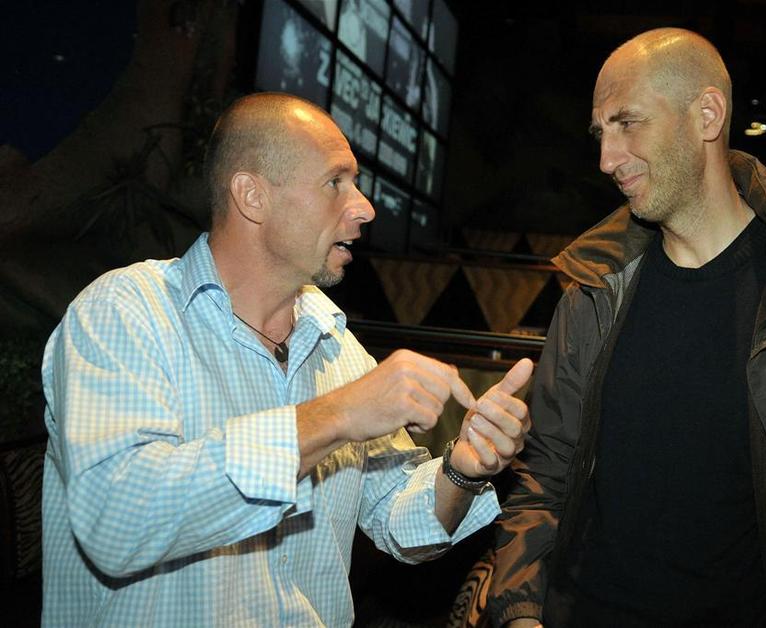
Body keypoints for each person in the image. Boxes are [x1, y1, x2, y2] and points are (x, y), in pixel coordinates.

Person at [488, 28, 766, 627]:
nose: (607, 159)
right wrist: (521, 612)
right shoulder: (593, 291)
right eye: (601, 134)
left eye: (628, 123)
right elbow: (543, 480)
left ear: (707, 114)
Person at [41, 92, 533, 627]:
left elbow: (400, 523)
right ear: (252, 196)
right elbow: (117, 522)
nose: (365, 207)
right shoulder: (126, 311)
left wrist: (461, 470)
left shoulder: (337, 345)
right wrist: (337, 415)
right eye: (335, 182)